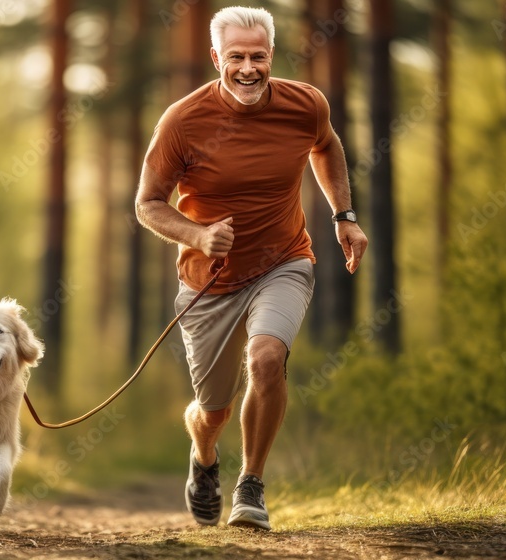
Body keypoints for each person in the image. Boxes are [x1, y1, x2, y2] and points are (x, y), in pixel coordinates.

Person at [134, 6, 368, 530]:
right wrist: (197, 235)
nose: (247, 68)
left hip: (284, 260)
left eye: (257, 56)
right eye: (235, 56)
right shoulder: (183, 121)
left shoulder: (305, 104)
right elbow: (147, 202)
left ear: (271, 56)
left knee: (266, 360)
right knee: (211, 411)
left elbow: (325, 146)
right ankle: (205, 459)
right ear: (216, 57)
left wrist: (344, 216)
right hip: (208, 282)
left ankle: (252, 485)